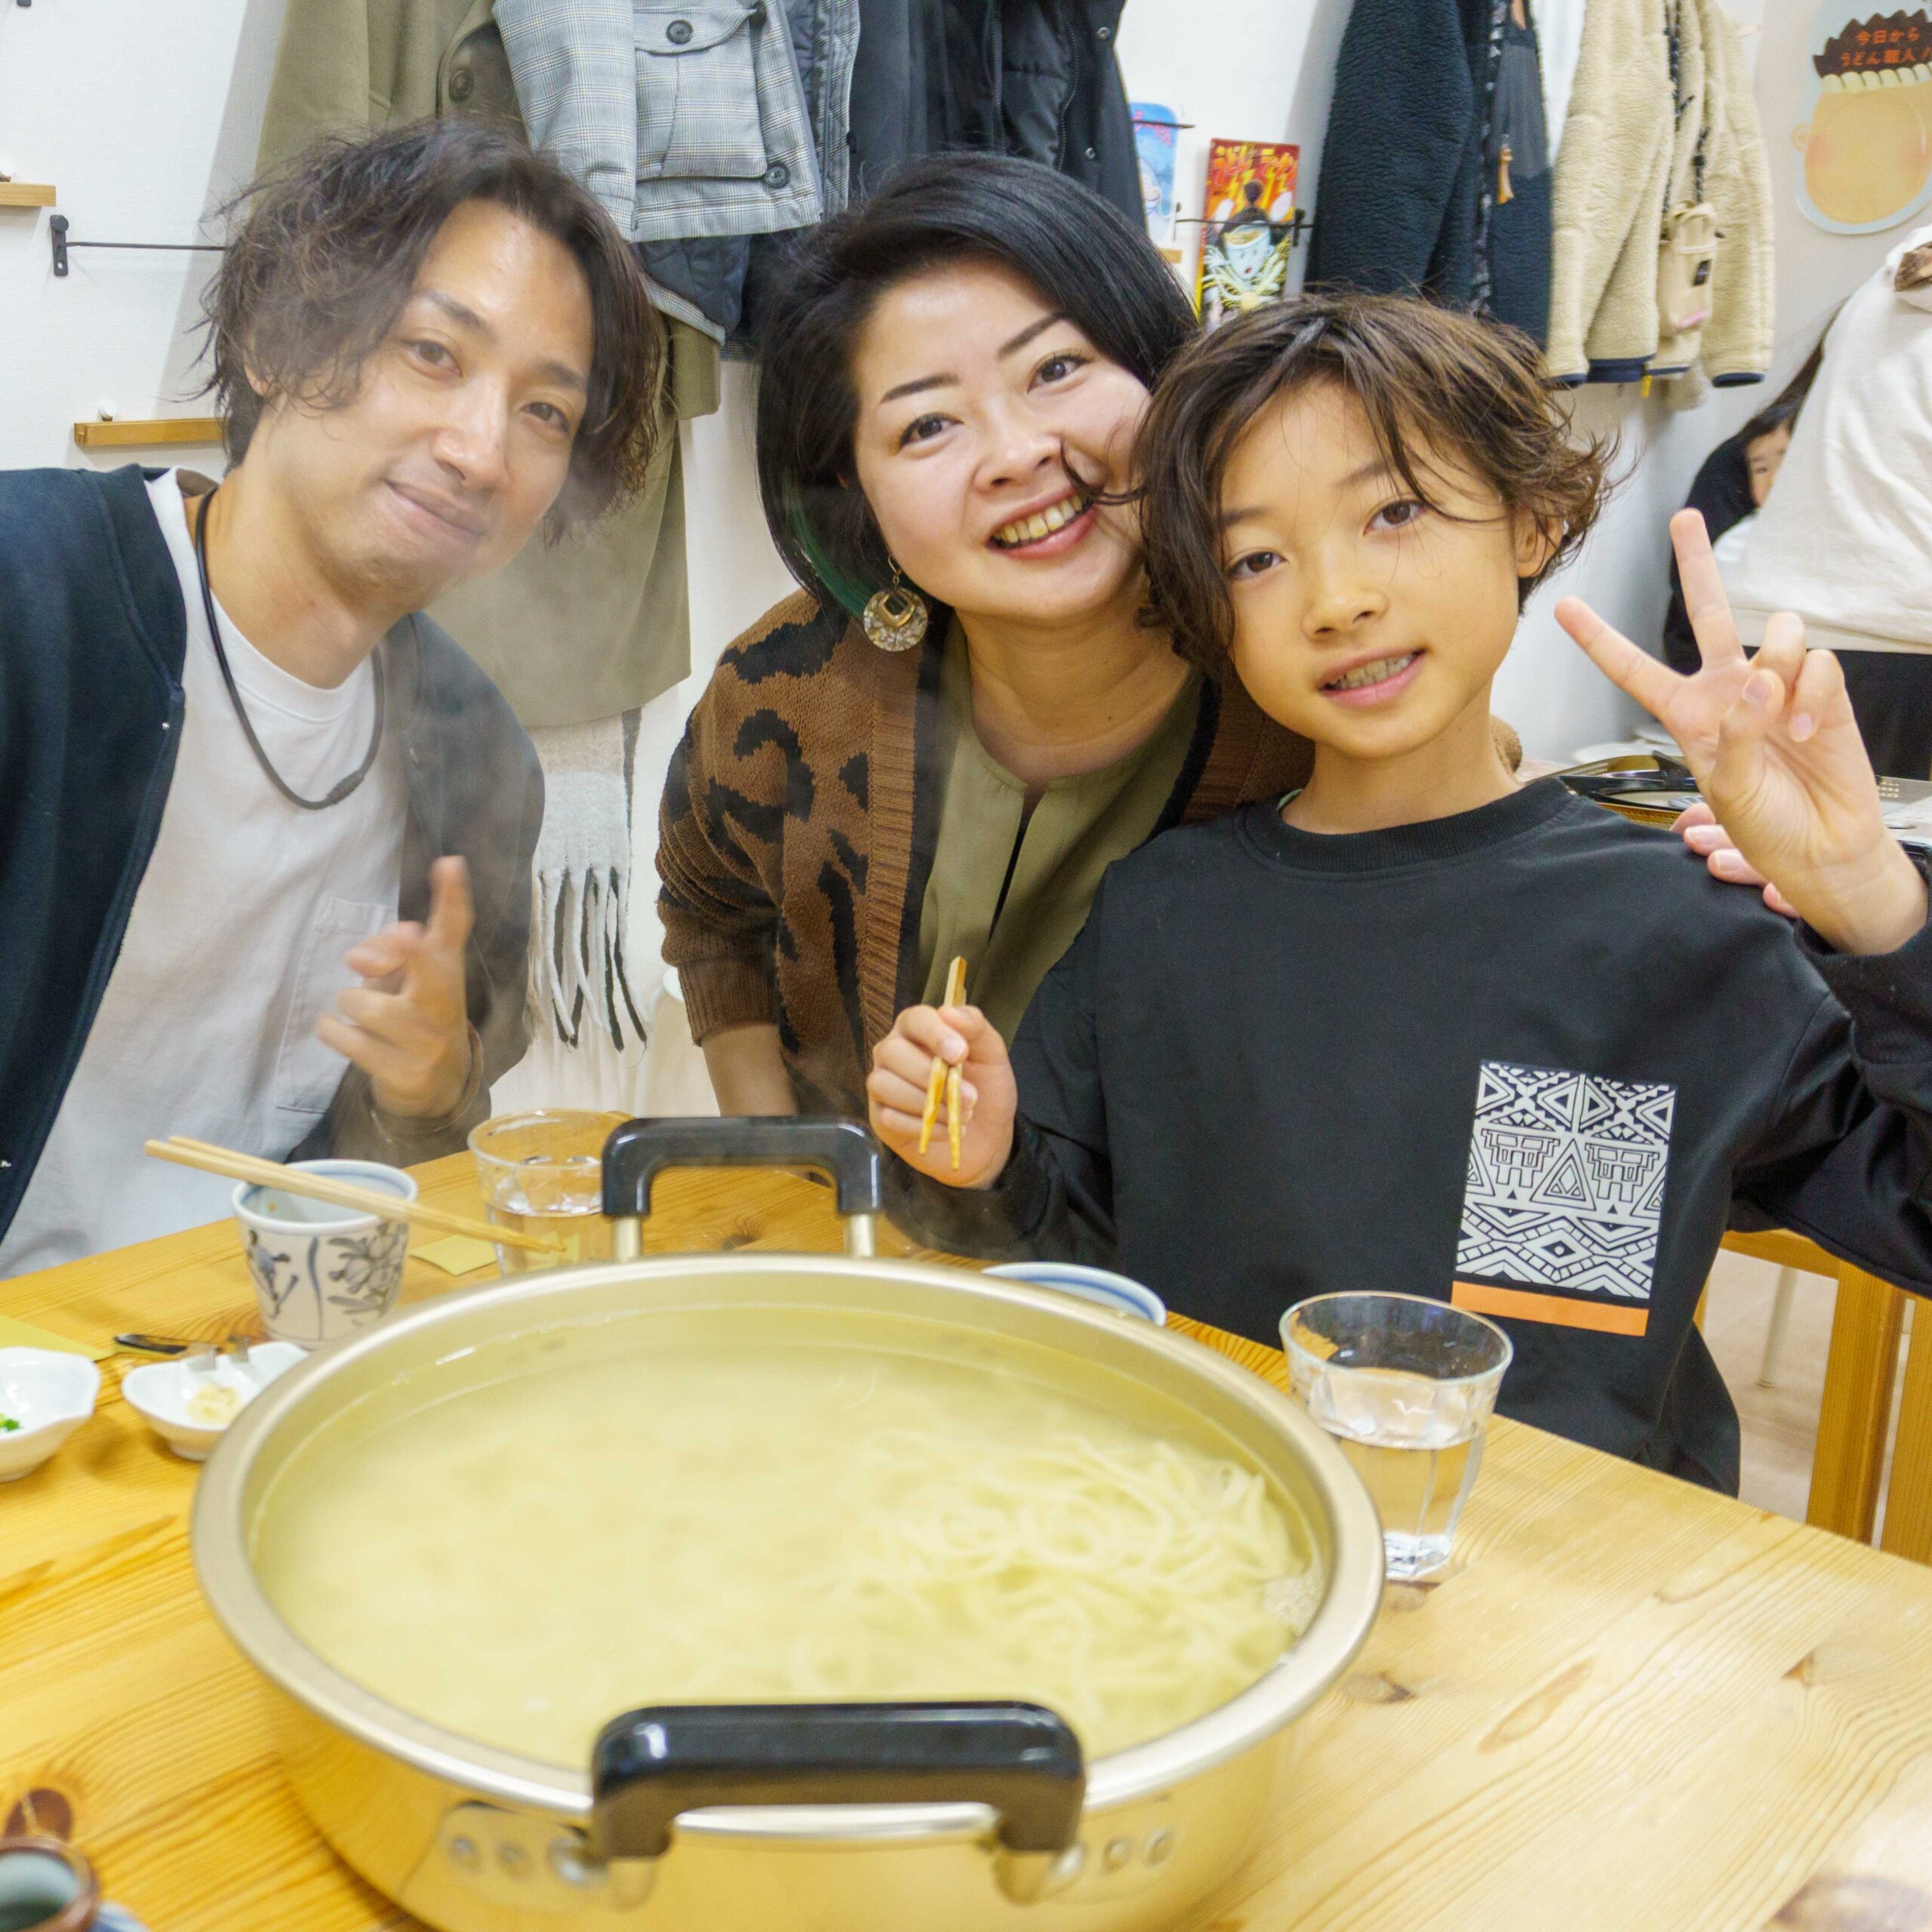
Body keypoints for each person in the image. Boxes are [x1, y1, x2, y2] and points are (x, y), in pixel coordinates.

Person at [869, 294, 1932, 1494]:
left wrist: (1875, 902)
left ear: (1531, 523)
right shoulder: (1161, 918)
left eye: (1395, 512)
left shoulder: (1679, 926)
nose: (1337, 599)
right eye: (1256, 558)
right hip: (1230, 1529)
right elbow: (1078, 1251)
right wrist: (987, 1160)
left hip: (1587, 1585)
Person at [657, 154, 1524, 1119]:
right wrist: (777, 1162)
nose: (1017, 453)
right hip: (867, 1254)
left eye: (1057, 369)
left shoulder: (1304, 682)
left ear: (1160, 373)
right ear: (856, 495)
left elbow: (1473, 855)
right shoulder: (789, 687)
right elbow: (712, 907)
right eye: (928, 425)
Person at [0, 121, 664, 1273]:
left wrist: (433, 1084)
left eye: (545, 412)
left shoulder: (479, 761)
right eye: (433, 353)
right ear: (276, 336)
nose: (481, 450)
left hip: (235, 1360)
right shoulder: (27, 601)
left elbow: (417, 1165)